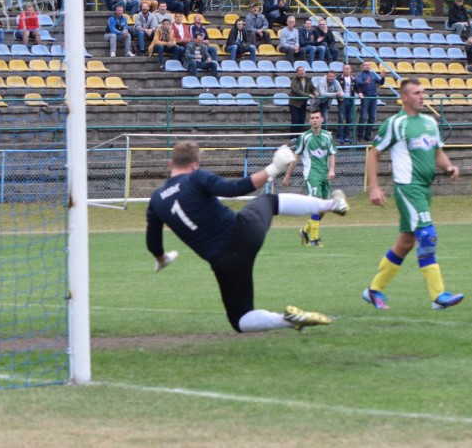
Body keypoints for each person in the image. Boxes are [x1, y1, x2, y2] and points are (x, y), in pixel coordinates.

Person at [146, 141, 347, 333]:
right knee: (270, 201)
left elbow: (153, 243)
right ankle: (331, 205)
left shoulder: (156, 200)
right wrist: (273, 168)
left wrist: (162, 259)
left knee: (241, 319)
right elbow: (235, 189)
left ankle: (285, 321)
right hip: (245, 233)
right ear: (195, 164)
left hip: (224, 261)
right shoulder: (196, 177)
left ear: (170, 163)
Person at [362, 79, 465, 311]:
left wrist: (448, 167)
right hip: (408, 188)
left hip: (425, 189)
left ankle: (373, 291)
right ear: (404, 97)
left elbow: (437, 152)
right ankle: (438, 296)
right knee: (427, 235)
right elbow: (373, 154)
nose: (422, 96)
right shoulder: (395, 123)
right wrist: (374, 187)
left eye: (423, 92)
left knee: (406, 242)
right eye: (417, 93)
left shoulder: (429, 122)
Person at [283, 110, 337, 248]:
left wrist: (331, 170)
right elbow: (295, 157)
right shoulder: (305, 137)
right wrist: (288, 175)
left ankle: (304, 231)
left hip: (324, 174)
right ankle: (314, 240)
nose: (314, 120)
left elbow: (332, 154)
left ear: (322, 120)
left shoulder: (327, 136)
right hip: (311, 174)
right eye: (312, 118)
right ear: (309, 121)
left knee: (323, 209)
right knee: (317, 204)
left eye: (317, 117)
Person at [356, 62, 384, 142]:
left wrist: (382, 77)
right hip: (365, 97)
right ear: (362, 66)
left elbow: (380, 82)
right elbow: (358, 81)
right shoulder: (360, 74)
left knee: (372, 118)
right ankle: (360, 136)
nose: (367, 66)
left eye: (368, 65)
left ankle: (367, 136)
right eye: (365, 65)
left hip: (374, 97)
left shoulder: (373, 74)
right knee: (363, 117)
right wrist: (365, 82)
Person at [288, 66, 315, 134]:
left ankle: (299, 136)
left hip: (303, 103)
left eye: (303, 70)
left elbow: (312, 87)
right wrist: (308, 95)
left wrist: (315, 91)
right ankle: (293, 136)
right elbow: (297, 91)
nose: (302, 72)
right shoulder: (294, 81)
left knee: (302, 121)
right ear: (296, 73)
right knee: (295, 120)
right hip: (294, 104)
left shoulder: (308, 79)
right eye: (300, 71)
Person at [336, 63, 356, 144]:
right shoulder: (338, 78)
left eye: (348, 68)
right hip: (342, 100)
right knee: (341, 118)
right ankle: (340, 136)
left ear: (350, 70)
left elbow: (356, 88)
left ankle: (346, 136)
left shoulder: (353, 79)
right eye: (345, 68)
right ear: (342, 69)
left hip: (350, 100)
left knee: (349, 119)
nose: (347, 70)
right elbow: (335, 88)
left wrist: (360, 93)